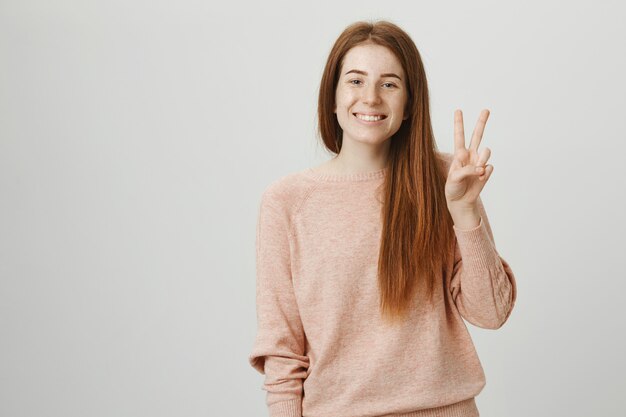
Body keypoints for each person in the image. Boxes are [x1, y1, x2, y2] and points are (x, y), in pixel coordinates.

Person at [248, 19, 517, 417]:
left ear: (409, 105)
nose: (370, 97)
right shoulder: (286, 202)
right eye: (355, 81)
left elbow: (491, 312)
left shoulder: (446, 180)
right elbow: (283, 352)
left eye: (389, 84)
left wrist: (464, 212)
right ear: (332, 97)